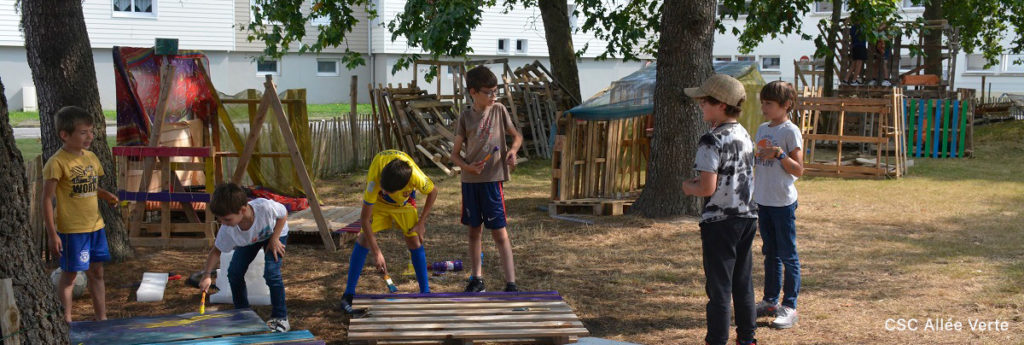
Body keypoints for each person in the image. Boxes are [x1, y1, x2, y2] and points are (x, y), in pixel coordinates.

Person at [682, 74, 759, 345]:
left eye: (705, 101)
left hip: (720, 222)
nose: (700, 104)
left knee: (719, 288)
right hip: (747, 217)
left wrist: (688, 187)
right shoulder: (745, 134)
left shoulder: (710, 140)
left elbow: (706, 188)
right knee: (742, 283)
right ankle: (747, 339)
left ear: (722, 105)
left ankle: (716, 340)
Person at [451, 66, 524, 293]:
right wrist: (467, 167)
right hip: (470, 184)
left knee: (499, 232)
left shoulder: (499, 110)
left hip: (493, 182)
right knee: (474, 231)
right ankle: (477, 279)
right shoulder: (465, 117)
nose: (494, 96)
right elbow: (454, 155)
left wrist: (513, 151)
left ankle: (510, 283)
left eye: (496, 91)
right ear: (473, 92)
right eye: (489, 92)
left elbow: (517, 136)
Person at [43, 105, 118, 323]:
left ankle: (101, 319)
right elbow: (47, 199)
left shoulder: (92, 158)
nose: (90, 136)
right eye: (83, 132)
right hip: (72, 230)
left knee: (97, 272)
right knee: (70, 276)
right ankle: (66, 322)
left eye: (91, 131)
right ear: (64, 135)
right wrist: (52, 234)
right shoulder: (56, 163)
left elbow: (89, 186)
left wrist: (106, 195)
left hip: (96, 227)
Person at [339, 150, 438, 313]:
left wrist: (421, 223)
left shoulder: (415, 176)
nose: (384, 191)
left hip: (404, 204)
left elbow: (433, 191)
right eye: (382, 188)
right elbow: (364, 220)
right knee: (364, 239)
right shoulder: (375, 177)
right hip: (378, 204)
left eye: (388, 191)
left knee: (414, 239)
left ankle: (425, 292)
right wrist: (377, 252)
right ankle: (348, 293)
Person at [199, 183, 291, 332]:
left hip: (273, 233)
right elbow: (216, 251)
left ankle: (280, 317)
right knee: (234, 272)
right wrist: (207, 275)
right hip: (250, 239)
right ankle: (242, 313)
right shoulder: (228, 229)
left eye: (227, 219)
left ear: (242, 210)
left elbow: (283, 214)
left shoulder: (264, 208)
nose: (223, 223)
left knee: (271, 273)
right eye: (220, 219)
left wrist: (274, 239)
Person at [752, 81, 805, 329]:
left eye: (769, 104)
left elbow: (799, 169)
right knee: (769, 253)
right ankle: (770, 301)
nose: (764, 107)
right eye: (762, 102)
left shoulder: (789, 131)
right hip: (763, 200)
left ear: (786, 105)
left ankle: (790, 306)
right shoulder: (762, 128)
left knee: (788, 255)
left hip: (783, 202)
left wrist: (780, 155)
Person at [844, 21, 867, 86]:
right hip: (860, 46)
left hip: (855, 46)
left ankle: (846, 79)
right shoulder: (862, 27)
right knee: (859, 64)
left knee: (853, 64)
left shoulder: (853, 27)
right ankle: (854, 80)